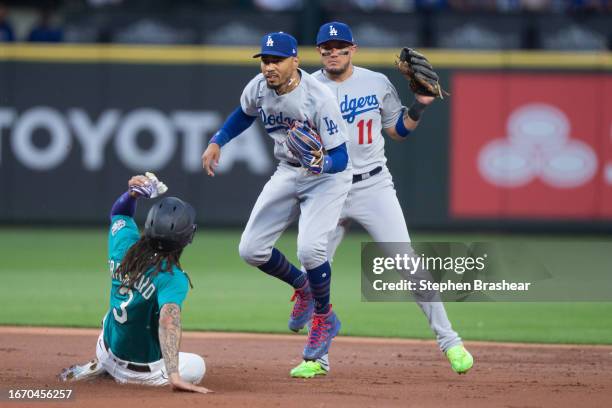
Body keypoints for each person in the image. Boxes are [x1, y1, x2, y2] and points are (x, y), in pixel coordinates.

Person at [289, 21, 474, 378]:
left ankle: (450, 341)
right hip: (327, 186)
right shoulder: (306, 88)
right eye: (326, 48)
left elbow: (398, 131)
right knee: (314, 271)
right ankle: (316, 358)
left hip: (372, 186)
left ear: (352, 49)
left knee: (408, 264)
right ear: (319, 52)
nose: (333, 52)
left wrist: (419, 107)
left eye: (340, 46)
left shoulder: (376, 83)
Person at [201, 32, 352, 374]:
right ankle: (303, 288)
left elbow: (342, 158)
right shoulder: (258, 87)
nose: (269, 67)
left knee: (311, 250)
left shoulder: (319, 98)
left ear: (295, 62)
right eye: (265, 60)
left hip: (328, 177)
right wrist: (217, 140)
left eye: (276, 60)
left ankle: (325, 317)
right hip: (288, 169)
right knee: (251, 250)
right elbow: (243, 113)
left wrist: (321, 164)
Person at [59, 172, 212, 394]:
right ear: (187, 238)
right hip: (141, 373)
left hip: (107, 348)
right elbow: (168, 320)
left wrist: (132, 196)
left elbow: (119, 213)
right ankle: (125, 375)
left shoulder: (124, 244)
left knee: (118, 310)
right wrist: (175, 376)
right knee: (197, 364)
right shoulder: (172, 277)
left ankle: (102, 365)